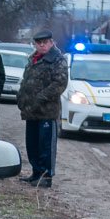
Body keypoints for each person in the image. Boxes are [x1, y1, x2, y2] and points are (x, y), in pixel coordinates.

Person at [15, 29, 68, 188]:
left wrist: (40, 98)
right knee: (32, 145)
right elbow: (26, 81)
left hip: (46, 111)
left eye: (45, 42)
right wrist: (21, 98)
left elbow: (59, 84)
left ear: (51, 43)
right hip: (31, 111)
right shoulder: (33, 59)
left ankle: (46, 176)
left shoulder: (58, 60)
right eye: (39, 43)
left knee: (46, 146)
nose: (42, 45)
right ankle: (36, 172)